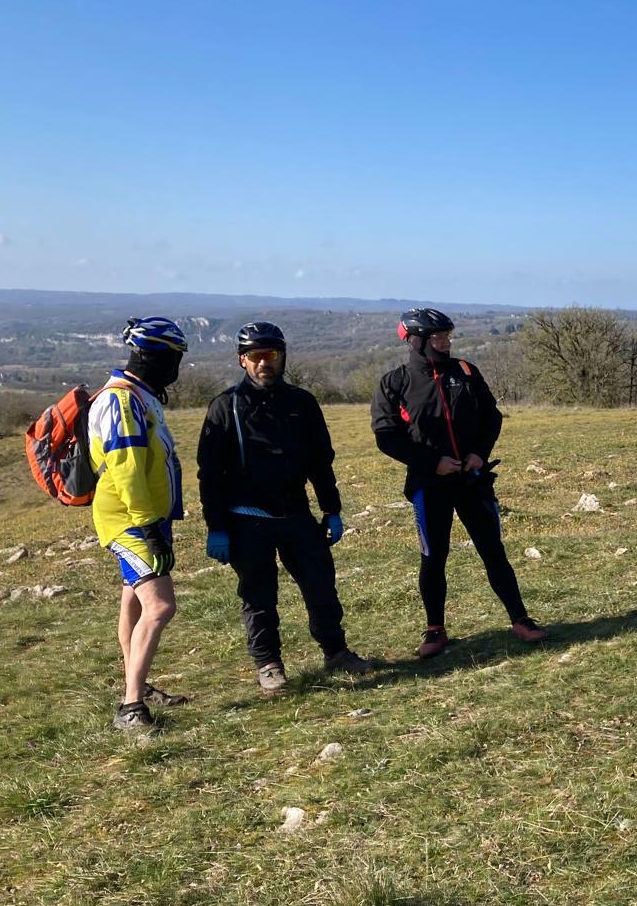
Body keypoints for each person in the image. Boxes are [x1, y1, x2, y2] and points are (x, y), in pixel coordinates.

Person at [197, 321, 373, 693]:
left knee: (321, 586)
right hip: (247, 519)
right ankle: (269, 664)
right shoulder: (225, 407)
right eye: (256, 356)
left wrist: (331, 509)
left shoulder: (302, 403)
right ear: (243, 360)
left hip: (296, 515)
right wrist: (217, 527)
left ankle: (336, 652)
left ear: (283, 357)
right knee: (258, 596)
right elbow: (210, 475)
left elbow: (321, 462)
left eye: (272, 355)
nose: (265, 363)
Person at [371, 307, 546, 658]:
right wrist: (432, 463)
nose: (446, 342)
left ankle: (520, 619)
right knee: (433, 556)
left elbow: (491, 416)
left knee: (493, 550)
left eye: (447, 336)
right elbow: (387, 436)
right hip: (429, 485)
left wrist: (479, 453)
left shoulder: (465, 371)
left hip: (473, 481)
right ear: (415, 341)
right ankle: (435, 630)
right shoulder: (395, 383)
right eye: (438, 337)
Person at [88, 317, 190, 731]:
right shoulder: (121, 401)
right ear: (150, 356)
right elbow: (125, 467)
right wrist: (148, 526)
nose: (176, 368)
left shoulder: (140, 396)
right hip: (131, 520)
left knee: (132, 598)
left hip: (144, 517)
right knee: (161, 606)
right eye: (173, 358)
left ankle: (138, 685)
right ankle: (131, 707)